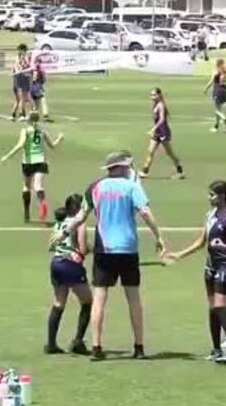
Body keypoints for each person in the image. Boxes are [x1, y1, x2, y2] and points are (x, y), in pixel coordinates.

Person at [67, 151, 166, 361]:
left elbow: (80, 215)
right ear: (120, 167)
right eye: (127, 166)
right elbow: (146, 212)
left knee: (100, 298)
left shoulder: (95, 187)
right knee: (133, 297)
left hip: (105, 249)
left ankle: (96, 346)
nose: (130, 169)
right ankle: (139, 347)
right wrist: (158, 236)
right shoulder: (132, 186)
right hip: (128, 248)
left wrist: (65, 232)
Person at [164, 180, 226, 364]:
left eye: (212, 195)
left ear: (222, 196)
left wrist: (225, 247)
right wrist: (179, 254)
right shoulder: (209, 216)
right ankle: (217, 349)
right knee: (212, 309)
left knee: (220, 307)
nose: (209, 198)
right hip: (210, 266)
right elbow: (201, 241)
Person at [44, 194, 92, 356]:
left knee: (59, 303)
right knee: (87, 302)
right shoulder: (79, 224)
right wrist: (96, 248)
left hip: (56, 263)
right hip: (71, 265)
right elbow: (83, 249)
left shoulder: (59, 224)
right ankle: (78, 341)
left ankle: (51, 344)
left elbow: (51, 245)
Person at [0, 112, 65, 223]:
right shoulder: (43, 131)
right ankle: (42, 201)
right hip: (41, 161)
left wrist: (7, 156)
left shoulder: (25, 131)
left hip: (28, 162)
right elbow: (52, 146)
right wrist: (59, 138)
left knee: (26, 186)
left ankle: (26, 213)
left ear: (28, 120)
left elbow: (20, 145)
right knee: (38, 185)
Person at [139, 88, 185, 179]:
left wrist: (153, 129)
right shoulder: (155, 104)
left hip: (164, 131)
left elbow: (162, 119)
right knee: (150, 151)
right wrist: (155, 130)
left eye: (154, 95)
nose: (152, 97)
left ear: (159, 95)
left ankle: (180, 171)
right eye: (151, 95)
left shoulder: (161, 105)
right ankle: (145, 171)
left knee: (169, 153)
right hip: (157, 132)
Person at [202, 58, 226, 134]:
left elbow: (211, 82)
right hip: (224, 90)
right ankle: (216, 127)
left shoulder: (216, 71)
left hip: (217, 90)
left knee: (217, 110)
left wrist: (205, 88)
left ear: (217, 63)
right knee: (219, 110)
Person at [10, 44, 33, 121]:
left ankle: (17, 114)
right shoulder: (22, 57)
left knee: (22, 98)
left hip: (22, 77)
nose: (18, 51)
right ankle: (21, 115)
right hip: (22, 77)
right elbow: (28, 67)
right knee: (22, 98)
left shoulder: (24, 56)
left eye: (19, 49)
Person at [30, 56, 51, 121]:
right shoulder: (41, 69)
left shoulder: (32, 68)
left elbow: (30, 77)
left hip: (32, 87)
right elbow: (44, 79)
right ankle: (45, 115)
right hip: (38, 86)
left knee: (36, 103)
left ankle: (33, 116)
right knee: (42, 100)